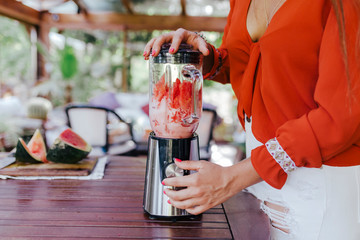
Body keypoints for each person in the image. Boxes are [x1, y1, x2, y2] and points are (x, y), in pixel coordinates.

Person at [143, 0, 360, 239]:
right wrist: (200, 56)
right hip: (258, 174)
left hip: (320, 184)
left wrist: (232, 177)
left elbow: (340, 118)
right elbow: (247, 63)